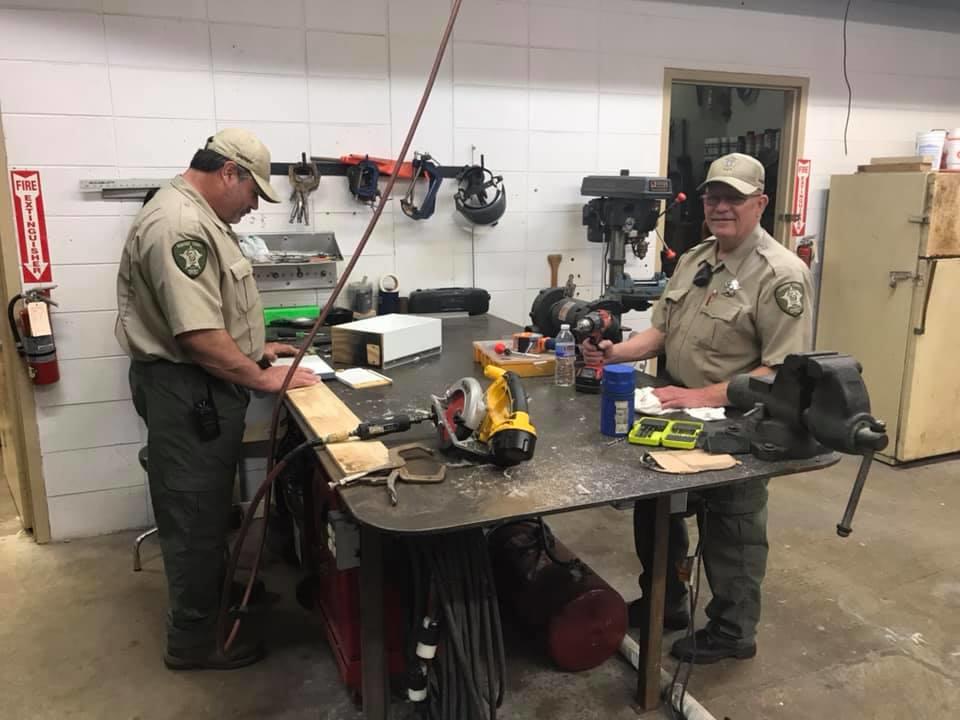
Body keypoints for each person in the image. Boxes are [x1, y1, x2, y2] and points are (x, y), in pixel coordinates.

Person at [583, 153, 813, 663]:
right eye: (714, 197)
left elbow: (779, 371)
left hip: (737, 423)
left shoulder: (780, 274)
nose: (721, 207)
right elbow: (662, 331)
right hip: (677, 410)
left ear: (761, 203)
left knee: (732, 529)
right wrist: (614, 353)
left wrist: (700, 396)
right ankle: (666, 604)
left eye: (734, 197)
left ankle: (733, 631)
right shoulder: (695, 259)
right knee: (657, 511)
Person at [115, 128, 318, 670]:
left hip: (201, 388)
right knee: (194, 518)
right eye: (253, 193)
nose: (253, 207)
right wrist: (262, 378)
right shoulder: (179, 225)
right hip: (188, 391)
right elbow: (197, 337)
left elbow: (214, 312)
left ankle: (219, 600)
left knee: (208, 509)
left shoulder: (200, 216)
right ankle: (194, 642)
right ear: (229, 172)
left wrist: (257, 347)